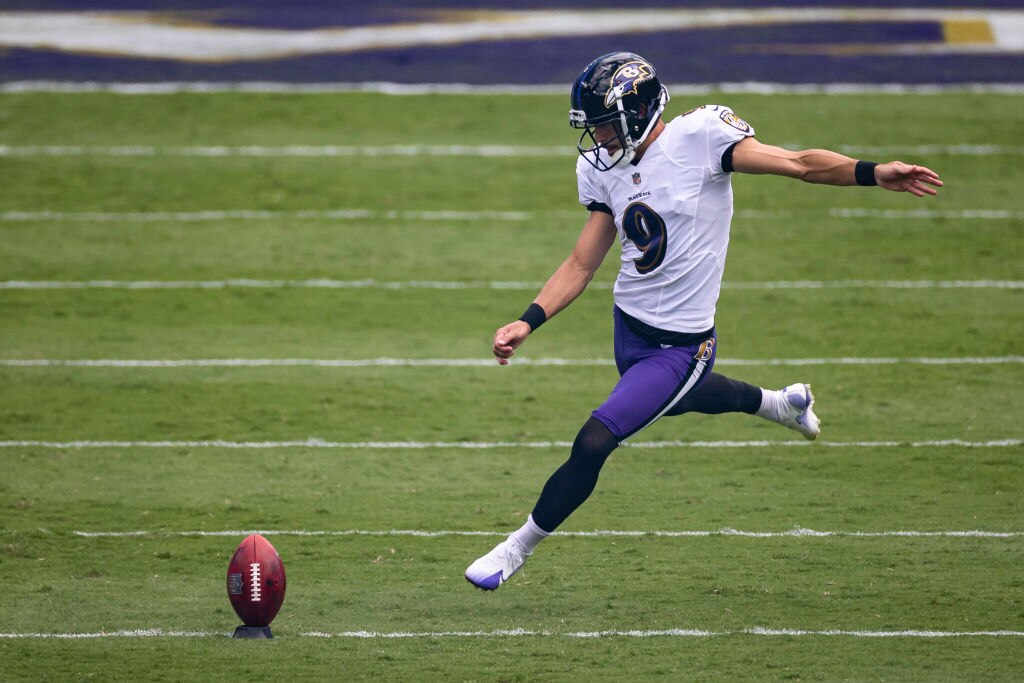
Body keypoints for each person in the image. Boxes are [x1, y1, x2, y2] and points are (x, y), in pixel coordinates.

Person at [465, 51, 942, 591]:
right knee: (676, 399)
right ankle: (780, 403)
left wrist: (873, 173)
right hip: (630, 330)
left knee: (597, 438)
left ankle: (516, 548)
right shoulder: (602, 170)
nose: (597, 137)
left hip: (683, 344)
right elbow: (582, 262)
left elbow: (798, 163)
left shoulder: (702, 137)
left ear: (639, 109)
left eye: (603, 122)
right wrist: (529, 321)